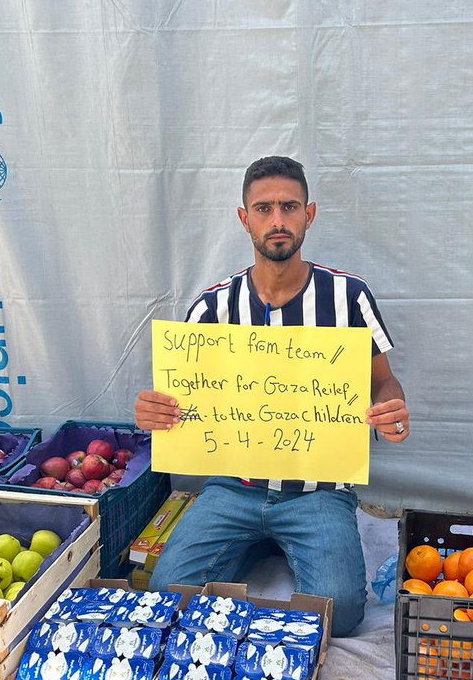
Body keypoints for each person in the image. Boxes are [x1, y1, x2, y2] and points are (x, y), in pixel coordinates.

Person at [135, 155, 410, 636]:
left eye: (289, 206)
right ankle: (255, 541)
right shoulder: (213, 306)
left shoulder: (348, 296)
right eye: (264, 209)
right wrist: (155, 411)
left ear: (310, 214)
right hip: (233, 487)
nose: (277, 220)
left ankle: (277, 543)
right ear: (244, 218)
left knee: (341, 615)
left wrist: (390, 408)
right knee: (167, 597)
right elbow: (186, 400)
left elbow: (382, 380)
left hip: (318, 492)